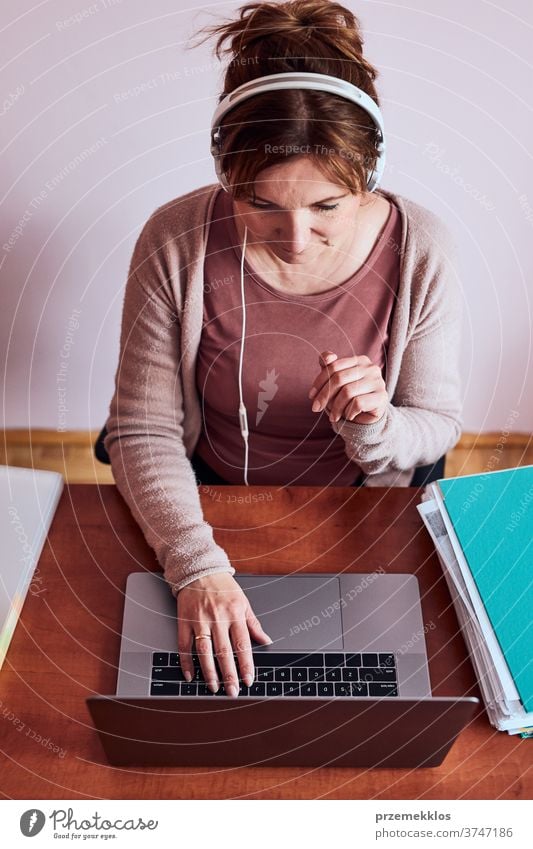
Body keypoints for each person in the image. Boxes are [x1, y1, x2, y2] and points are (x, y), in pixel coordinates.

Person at [104, 0, 462, 698]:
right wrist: (197, 566)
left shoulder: (422, 249)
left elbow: (438, 422)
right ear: (226, 175)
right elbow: (142, 427)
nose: (294, 239)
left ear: (368, 175)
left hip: (367, 506)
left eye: (327, 206)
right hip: (206, 503)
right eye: (261, 204)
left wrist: (378, 425)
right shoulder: (174, 239)